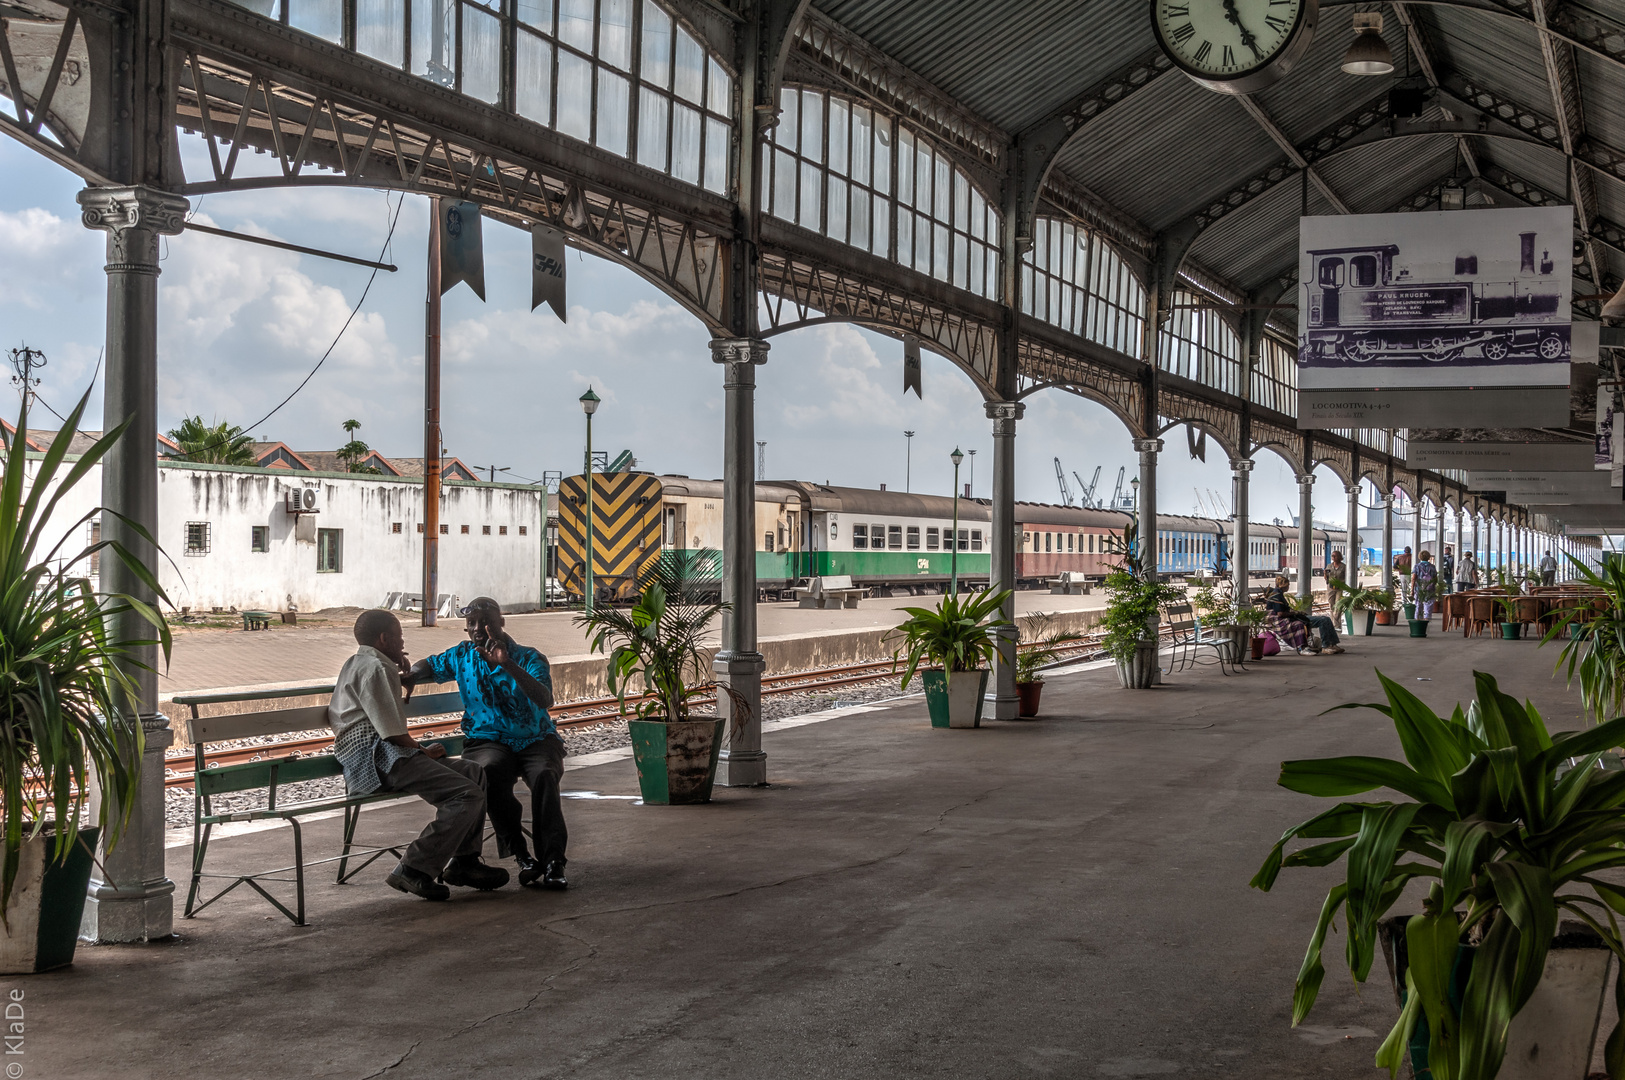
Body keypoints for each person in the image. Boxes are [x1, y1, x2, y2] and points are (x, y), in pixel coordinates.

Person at [329, 610, 510, 901]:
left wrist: (397, 666)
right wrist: (424, 750)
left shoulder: (360, 661)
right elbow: (392, 734)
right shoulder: (377, 668)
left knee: (474, 773)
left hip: (379, 755)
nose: (403, 641)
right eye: (399, 636)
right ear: (384, 638)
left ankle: (465, 862)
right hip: (379, 760)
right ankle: (412, 868)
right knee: (466, 795)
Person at [407, 596, 569, 891]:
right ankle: (522, 856)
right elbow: (427, 665)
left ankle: (553, 862)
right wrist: (410, 676)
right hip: (487, 740)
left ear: (501, 624)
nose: (479, 629)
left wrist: (507, 664)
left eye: (487, 623)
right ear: (466, 630)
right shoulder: (462, 655)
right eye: (472, 624)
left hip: (536, 739)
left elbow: (545, 699)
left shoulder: (530, 657)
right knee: (488, 772)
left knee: (545, 775)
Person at [1260, 575, 1344, 655]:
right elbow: (1280, 613)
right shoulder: (1277, 596)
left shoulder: (1277, 594)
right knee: (1323, 620)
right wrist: (1296, 613)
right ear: (1284, 585)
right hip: (1291, 619)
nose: (1289, 587)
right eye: (1288, 585)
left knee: (1326, 619)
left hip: (1293, 617)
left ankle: (1332, 644)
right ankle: (1326, 646)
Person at [1413, 551, 1439, 619]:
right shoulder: (1432, 567)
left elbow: (1413, 578)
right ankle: (1427, 619)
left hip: (1419, 589)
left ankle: (1418, 619)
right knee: (1429, 605)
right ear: (1428, 557)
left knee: (1418, 605)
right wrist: (1432, 586)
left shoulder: (1417, 566)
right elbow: (1435, 579)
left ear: (1420, 557)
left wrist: (1412, 589)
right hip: (1430, 589)